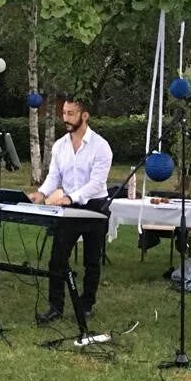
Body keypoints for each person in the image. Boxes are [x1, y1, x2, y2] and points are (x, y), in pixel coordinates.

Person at [29, 95, 113, 323]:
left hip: (95, 206)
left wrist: (70, 197)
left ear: (84, 116)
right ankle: (55, 307)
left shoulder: (101, 146)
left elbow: (96, 183)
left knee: (92, 260)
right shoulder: (59, 145)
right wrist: (42, 193)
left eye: (70, 114)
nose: (65, 118)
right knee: (57, 258)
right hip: (69, 208)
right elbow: (54, 176)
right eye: (64, 113)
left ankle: (87, 304)